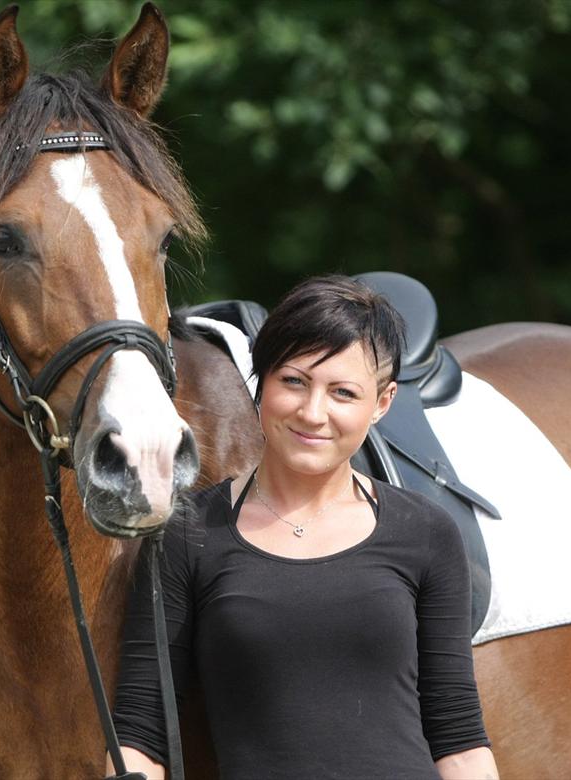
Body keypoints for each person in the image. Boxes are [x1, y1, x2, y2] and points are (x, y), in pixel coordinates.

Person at [111, 276, 498, 779]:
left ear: (381, 403)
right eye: (293, 381)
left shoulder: (426, 532)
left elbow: (459, 736)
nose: (313, 413)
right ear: (261, 382)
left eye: (343, 392)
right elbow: (141, 728)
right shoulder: (188, 533)